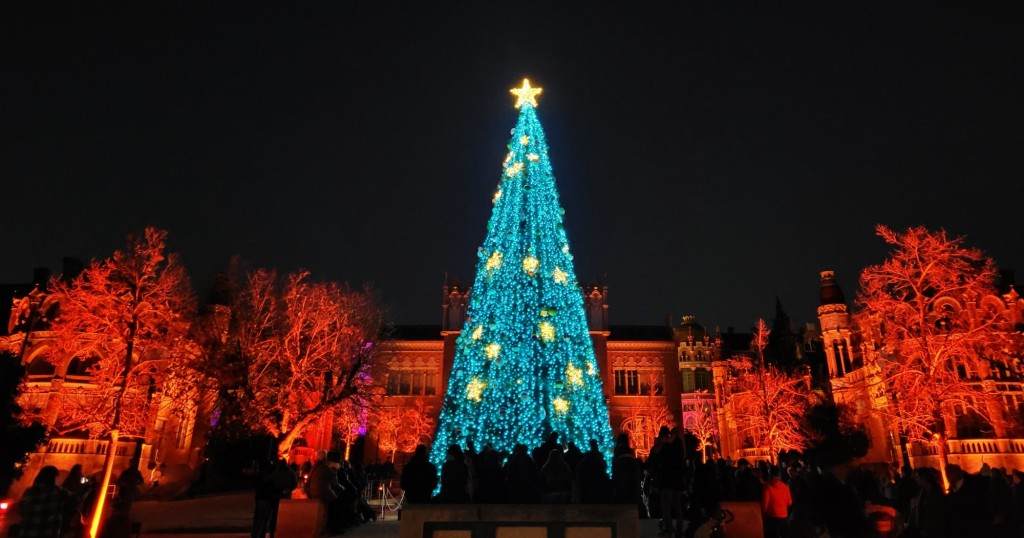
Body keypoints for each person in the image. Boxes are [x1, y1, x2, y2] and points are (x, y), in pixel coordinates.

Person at [19, 465, 71, 538]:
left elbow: (22, 510)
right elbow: (76, 499)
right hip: (47, 533)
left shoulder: (29, 491)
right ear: (53, 478)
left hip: (28, 532)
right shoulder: (58, 491)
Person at [761, 466, 792, 538]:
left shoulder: (768, 486)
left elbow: (765, 504)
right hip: (783, 516)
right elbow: (789, 502)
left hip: (772, 516)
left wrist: (763, 515)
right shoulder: (785, 486)